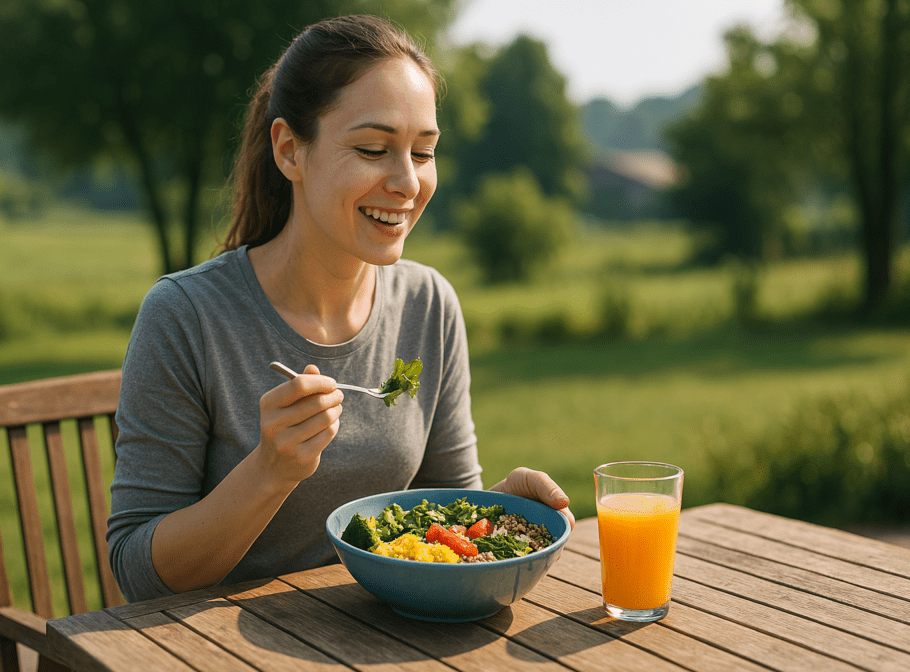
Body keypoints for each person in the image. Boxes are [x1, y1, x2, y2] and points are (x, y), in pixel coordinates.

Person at [106, 14, 574, 603]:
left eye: (424, 152)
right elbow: (137, 572)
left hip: (377, 638)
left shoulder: (428, 305)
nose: (407, 182)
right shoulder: (187, 316)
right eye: (374, 148)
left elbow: (441, 512)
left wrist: (503, 512)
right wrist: (269, 472)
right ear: (289, 150)